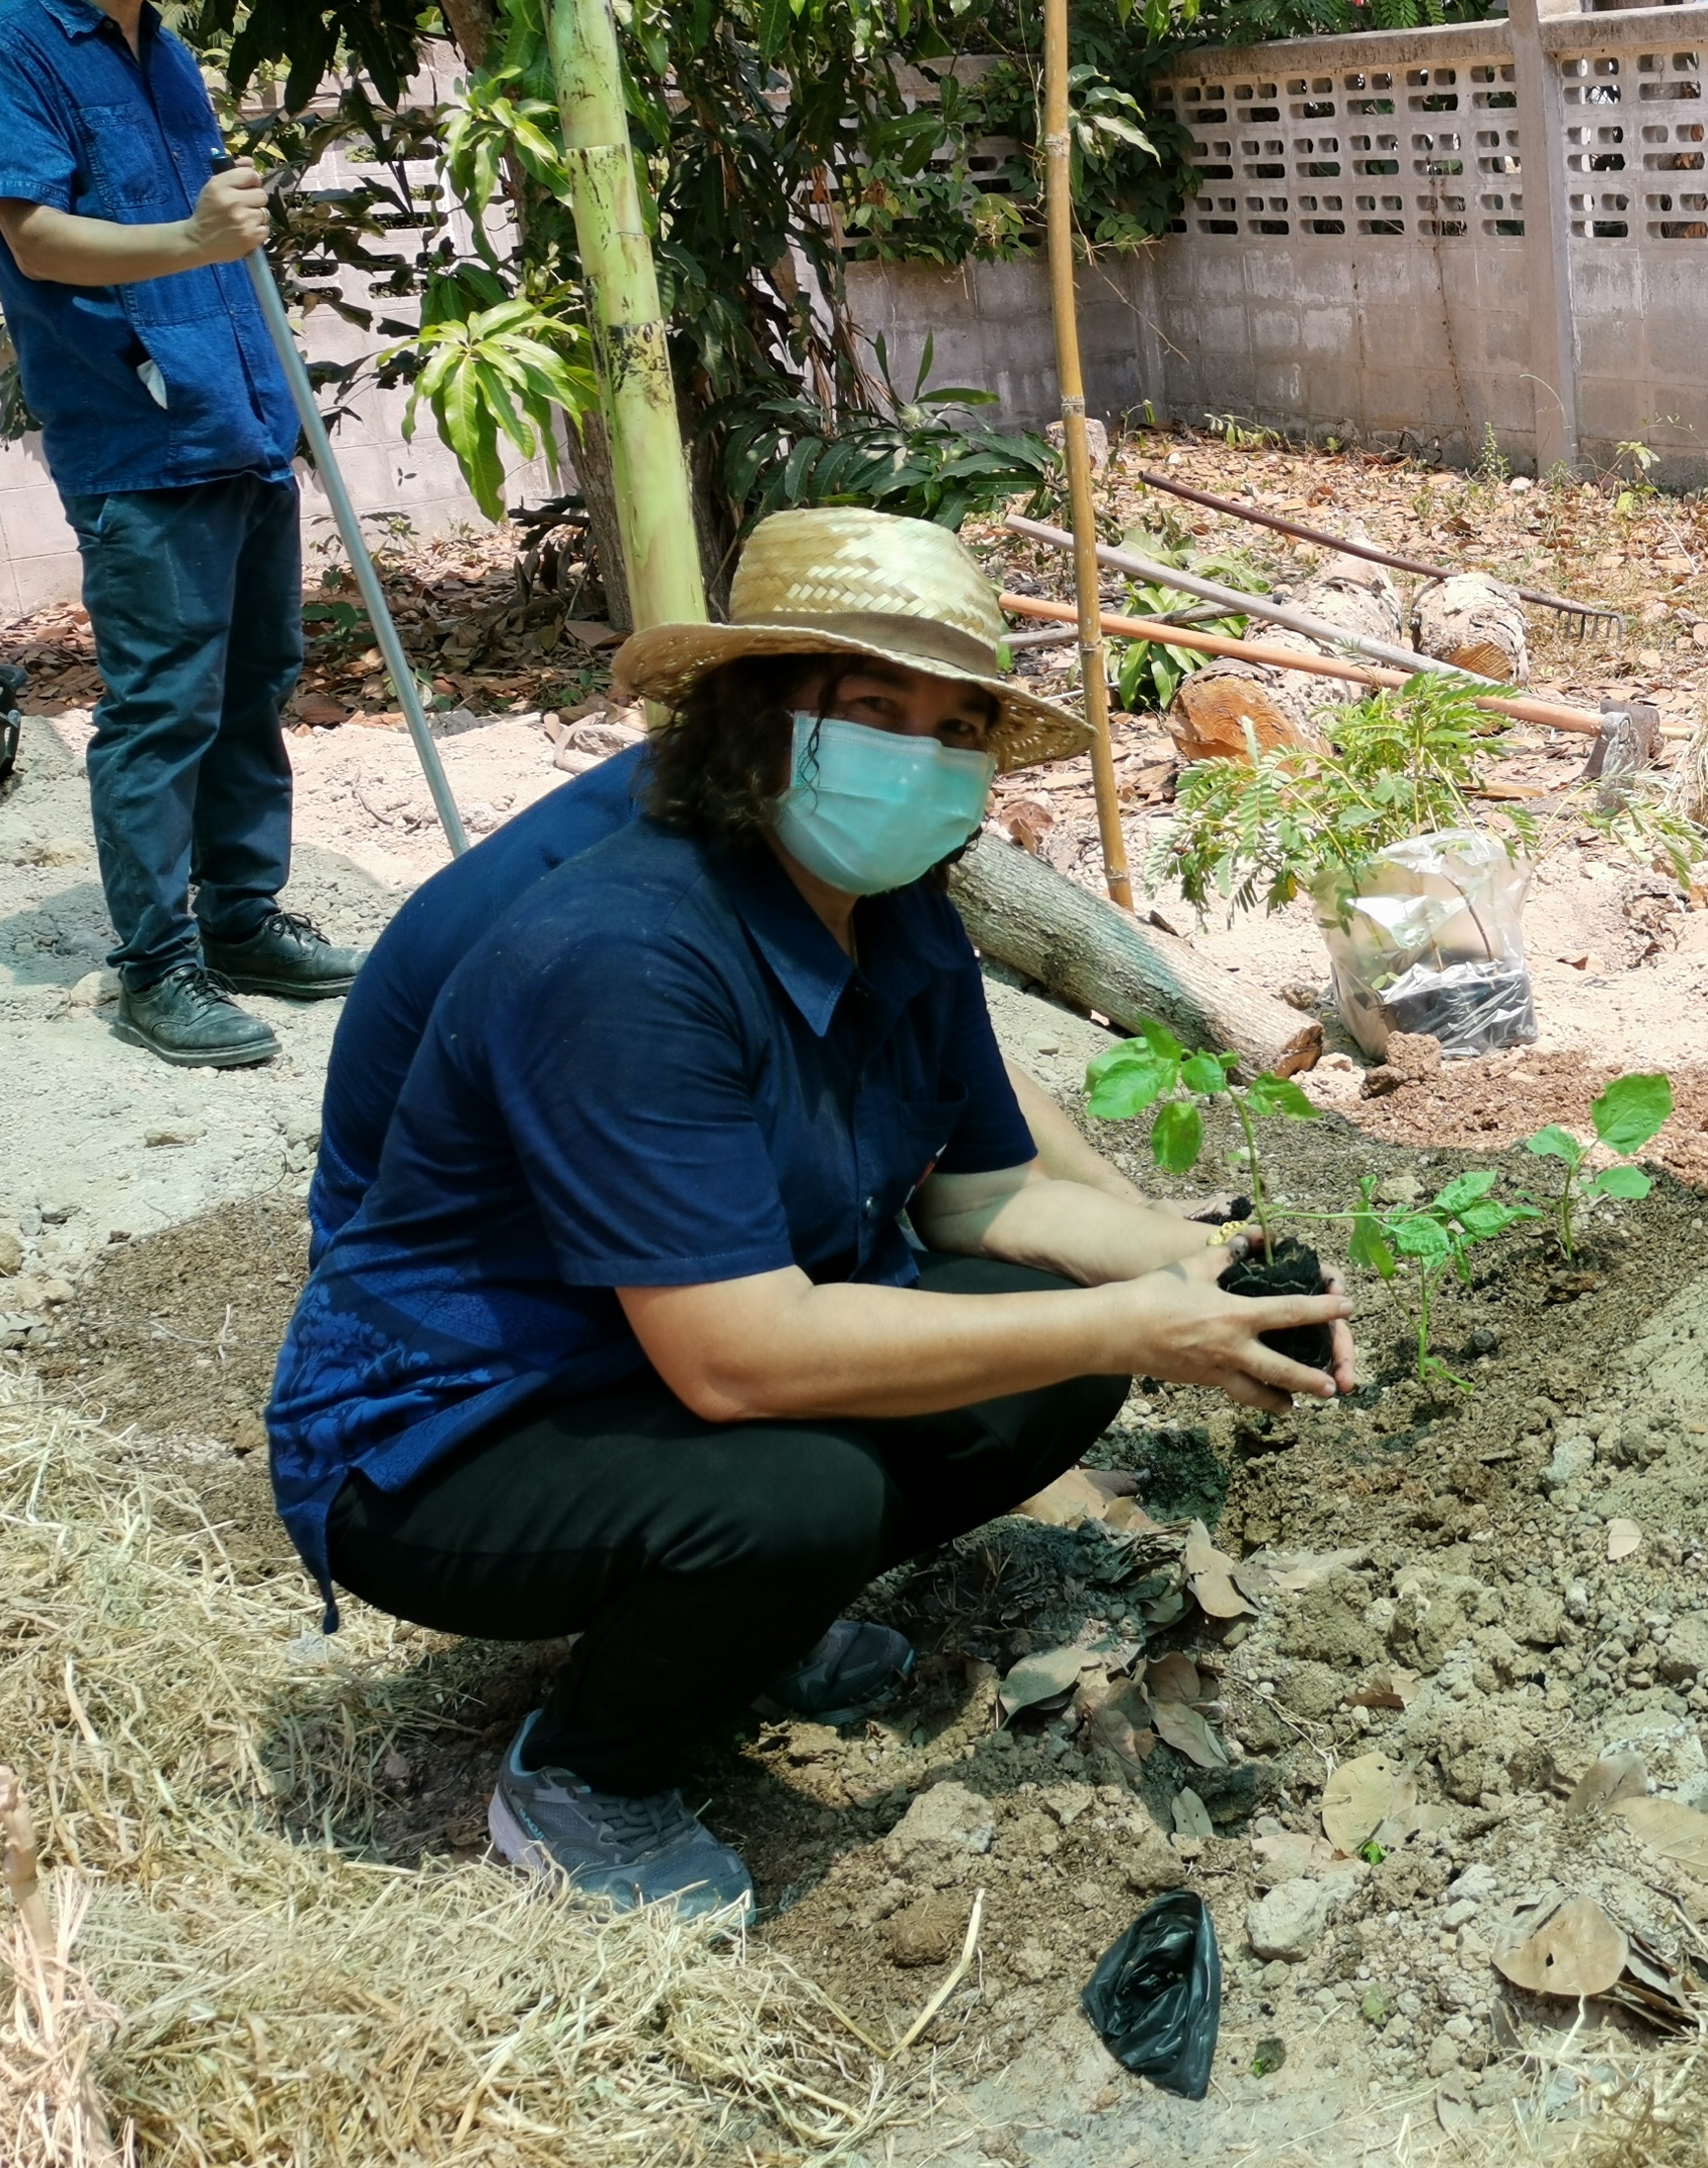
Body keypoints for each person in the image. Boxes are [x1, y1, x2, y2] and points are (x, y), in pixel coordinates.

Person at [266, 509, 1354, 1926]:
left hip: (666, 1361)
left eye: (954, 723)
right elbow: (739, 1360)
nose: (919, 749)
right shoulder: (623, 952)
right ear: (761, 716)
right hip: (457, 1428)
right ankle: (581, 1776)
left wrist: (1202, 1275)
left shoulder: (896, 911)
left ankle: (737, 1629)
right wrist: (1140, 1323)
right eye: (872, 708)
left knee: (1051, 1357)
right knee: (806, 1494)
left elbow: (992, 1190)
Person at [0, 0, 362, 1068]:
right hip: (141, 433)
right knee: (163, 706)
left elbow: (203, 232)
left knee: (251, 691)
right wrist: (193, 237)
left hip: (235, 416)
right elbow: (36, 235)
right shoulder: (3, 48)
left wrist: (220, 251)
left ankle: (239, 921)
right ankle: (156, 967)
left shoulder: (161, 46)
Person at [306, 736, 1147, 1254]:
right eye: (876, 718)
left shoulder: (843, 853)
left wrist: (1149, 1228)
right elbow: (728, 1324)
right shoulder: (628, 927)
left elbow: (943, 1069)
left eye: (954, 732)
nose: (920, 771)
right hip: (508, 1283)